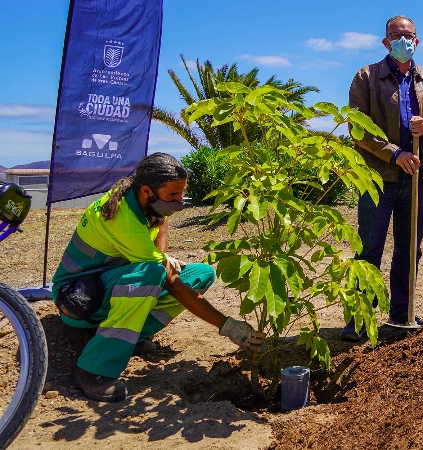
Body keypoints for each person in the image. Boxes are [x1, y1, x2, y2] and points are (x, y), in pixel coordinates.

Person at [52, 152, 265, 403]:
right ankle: (93, 369)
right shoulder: (124, 220)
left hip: (104, 287)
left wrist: (162, 255)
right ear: (147, 191)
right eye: (172, 195)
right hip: (78, 300)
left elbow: (159, 221)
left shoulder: (139, 197)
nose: (180, 202)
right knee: (152, 274)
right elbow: (171, 282)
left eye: (181, 193)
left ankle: (130, 337)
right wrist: (226, 325)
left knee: (201, 274)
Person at [345, 14, 423, 340]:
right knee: (369, 250)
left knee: (410, 250)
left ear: (417, 41)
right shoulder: (366, 77)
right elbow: (358, 128)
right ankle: (358, 321)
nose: (402, 40)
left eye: (408, 36)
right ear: (385, 41)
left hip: (418, 181)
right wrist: (395, 152)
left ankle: (401, 314)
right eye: (395, 35)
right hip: (378, 178)